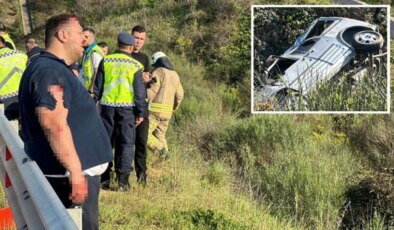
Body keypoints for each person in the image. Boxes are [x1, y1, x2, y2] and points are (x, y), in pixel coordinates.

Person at [18, 13, 113, 230]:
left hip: (70, 174)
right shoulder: (50, 71)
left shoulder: (50, 67)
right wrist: (76, 172)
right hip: (68, 177)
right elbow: (54, 124)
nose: (84, 39)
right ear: (62, 35)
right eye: (80, 33)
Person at [94, 32, 146, 191]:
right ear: (131, 47)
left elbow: (98, 87)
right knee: (126, 143)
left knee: (106, 143)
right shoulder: (136, 66)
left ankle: (104, 179)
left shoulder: (106, 60)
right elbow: (139, 93)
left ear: (117, 44)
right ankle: (123, 182)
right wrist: (141, 113)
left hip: (107, 108)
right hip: (126, 110)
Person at [147, 52, 184, 159]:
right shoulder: (175, 75)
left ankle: (160, 151)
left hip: (154, 112)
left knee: (144, 134)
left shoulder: (159, 71)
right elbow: (180, 95)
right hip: (167, 114)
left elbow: (152, 90)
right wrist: (173, 108)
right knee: (160, 137)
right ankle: (164, 165)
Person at [131, 25, 150, 185]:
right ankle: (120, 177)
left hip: (142, 106)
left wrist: (147, 79)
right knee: (123, 143)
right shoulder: (121, 55)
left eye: (141, 39)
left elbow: (148, 82)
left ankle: (142, 177)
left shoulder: (145, 58)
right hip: (124, 106)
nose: (138, 41)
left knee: (141, 143)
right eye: (136, 38)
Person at [0, 36, 27, 122]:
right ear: (4, 43)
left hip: (4, 102)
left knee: (8, 132)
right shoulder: (22, 55)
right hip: (24, 96)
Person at [80, 28, 105, 93]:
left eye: (86, 37)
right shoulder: (87, 51)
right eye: (82, 36)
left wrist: (92, 88)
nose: (83, 39)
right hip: (84, 89)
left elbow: (97, 71)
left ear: (93, 38)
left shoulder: (95, 52)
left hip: (90, 92)